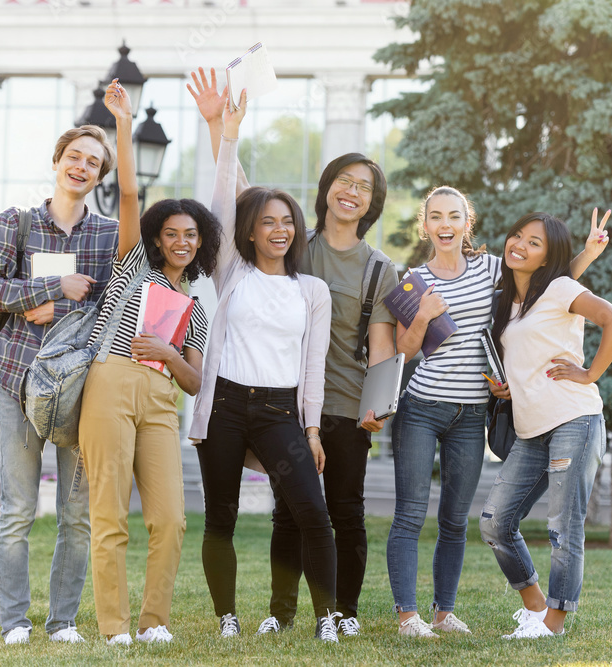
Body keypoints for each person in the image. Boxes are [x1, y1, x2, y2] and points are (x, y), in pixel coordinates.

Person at [187, 67, 399, 637]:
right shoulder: (282, 249)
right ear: (328, 188)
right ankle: (277, 614)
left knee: (340, 512)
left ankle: (341, 615)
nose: (352, 192)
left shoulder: (371, 269)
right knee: (281, 514)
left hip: (338, 403)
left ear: (373, 202)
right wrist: (222, 128)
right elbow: (237, 196)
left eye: (365, 187)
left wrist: (380, 402)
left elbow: (383, 341)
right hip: (264, 404)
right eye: (345, 181)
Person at [386, 187, 609, 638]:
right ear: (424, 225)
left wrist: (586, 254)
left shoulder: (491, 269)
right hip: (422, 407)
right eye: (435, 216)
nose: (444, 224)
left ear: (467, 224)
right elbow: (404, 349)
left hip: (472, 412)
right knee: (411, 514)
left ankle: (444, 613)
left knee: (455, 520)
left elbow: (548, 285)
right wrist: (425, 315)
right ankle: (408, 616)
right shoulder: (412, 279)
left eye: (454, 216)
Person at [187, 89, 341, 643]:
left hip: (281, 411)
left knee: (311, 514)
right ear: (249, 231)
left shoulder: (313, 291)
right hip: (224, 405)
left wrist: (312, 428)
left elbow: (314, 366)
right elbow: (226, 195)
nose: (280, 229)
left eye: (288, 222)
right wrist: (227, 132)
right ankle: (226, 616)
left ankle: (326, 617)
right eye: (268, 221)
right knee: (221, 518)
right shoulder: (231, 271)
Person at [77, 81, 219, 646]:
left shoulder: (196, 307)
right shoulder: (132, 268)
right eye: (172, 234)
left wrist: (167, 352)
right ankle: (114, 627)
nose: (182, 241)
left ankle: (153, 621)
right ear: (156, 241)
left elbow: (193, 380)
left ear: (201, 241)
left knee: (172, 520)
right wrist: (123, 124)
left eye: (191, 235)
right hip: (110, 385)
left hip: (162, 404)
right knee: (109, 517)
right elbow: (130, 196)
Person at [0, 115, 119, 643]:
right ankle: (15, 621)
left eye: (93, 163)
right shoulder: (17, 222)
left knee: (76, 515)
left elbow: (114, 304)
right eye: (75, 157)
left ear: (100, 176)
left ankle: (61, 623)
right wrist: (49, 290)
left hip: (77, 391)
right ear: (57, 162)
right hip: (17, 380)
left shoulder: (109, 234)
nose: (82, 167)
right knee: (18, 510)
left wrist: (55, 308)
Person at [479, 211, 612, 639]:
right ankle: (536, 609)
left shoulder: (561, 288)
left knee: (564, 525)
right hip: (530, 430)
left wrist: (590, 373)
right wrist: (507, 387)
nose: (519, 245)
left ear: (547, 258)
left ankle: (554, 624)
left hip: (573, 419)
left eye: (534, 243)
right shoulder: (510, 299)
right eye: (517, 236)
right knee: (494, 523)